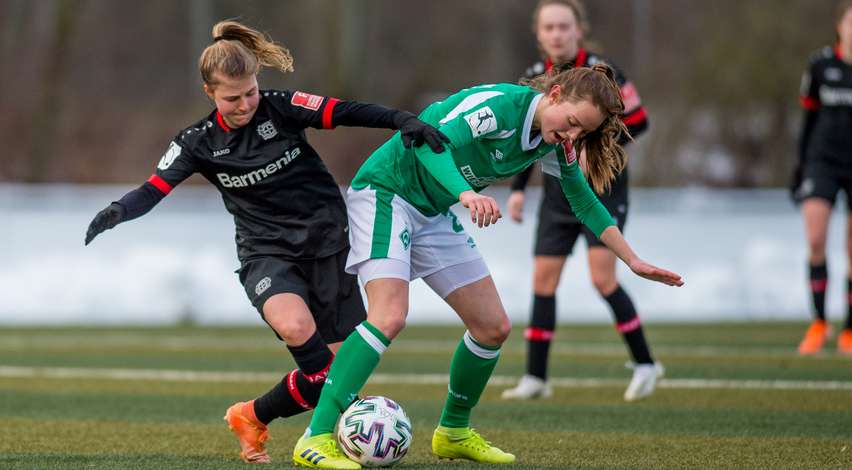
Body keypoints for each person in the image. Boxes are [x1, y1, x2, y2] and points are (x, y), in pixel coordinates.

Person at [83, 20, 449, 464]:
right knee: (300, 335)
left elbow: (347, 110)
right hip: (266, 253)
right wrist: (119, 210)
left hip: (332, 246)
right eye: (232, 98)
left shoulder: (283, 108)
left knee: (328, 382)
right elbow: (154, 188)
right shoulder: (197, 142)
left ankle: (251, 416)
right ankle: (324, 436)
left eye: (251, 92)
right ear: (209, 94)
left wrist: (402, 120)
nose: (245, 104)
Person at [291, 63, 684, 469]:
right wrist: (464, 194)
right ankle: (315, 436)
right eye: (570, 123)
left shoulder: (553, 141)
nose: (571, 136)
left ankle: (454, 431)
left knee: (492, 326)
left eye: (581, 132)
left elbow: (582, 200)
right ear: (554, 94)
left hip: (433, 210)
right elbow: (427, 141)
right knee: (389, 316)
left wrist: (632, 259)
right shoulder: (498, 108)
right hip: (386, 192)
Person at [500, 0, 658, 403]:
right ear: (538, 34)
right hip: (556, 195)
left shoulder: (605, 72)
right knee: (542, 282)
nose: (556, 34)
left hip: (603, 190)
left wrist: (594, 146)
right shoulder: (535, 77)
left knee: (603, 279)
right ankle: (536, 377)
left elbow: (639, 122)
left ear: (578, 31)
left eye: (564, 27)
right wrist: (519, 189)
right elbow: (527, 136)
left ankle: (645, 363)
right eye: (549, 27)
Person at [791, 0, 852, 356]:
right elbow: (808, 119)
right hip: (822, 163)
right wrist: (799, 166)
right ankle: (819, 322)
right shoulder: (820, 65)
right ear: (840, 26)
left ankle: (851, 329)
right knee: (816, 240)